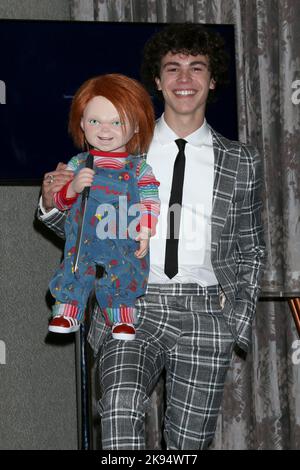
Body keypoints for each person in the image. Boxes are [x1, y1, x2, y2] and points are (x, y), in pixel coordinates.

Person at [37, 24, 265, 449]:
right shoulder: (120, 145)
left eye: (197, 68)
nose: (184, 79)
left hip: (207, 312)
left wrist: (237, 321)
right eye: (172, 68)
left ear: (212, 81)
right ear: (156, 81)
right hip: (134, 302)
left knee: (188, 445)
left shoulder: (242, 161)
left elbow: (252, 246)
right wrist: (54, 201)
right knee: (120, 411)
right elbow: (76, 226)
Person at [46, 74, 160, 340]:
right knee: (74, 268)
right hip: (83, 236)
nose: (105, 130)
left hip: (123, 235)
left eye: (117, 122)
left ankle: (121, 317)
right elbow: (60, 203)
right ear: (82, 123)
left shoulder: (139, 168)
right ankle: (68, 309)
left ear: (135, 127)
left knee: (124, 271)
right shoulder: (77, 163)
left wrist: (145, 229)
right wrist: (72, 187)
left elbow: (150, 199)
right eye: (95, 121)